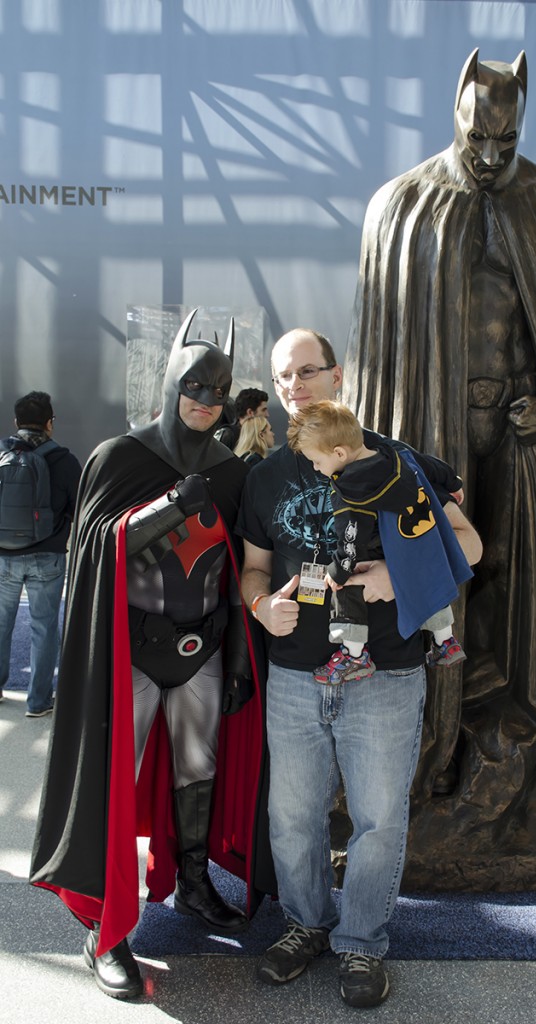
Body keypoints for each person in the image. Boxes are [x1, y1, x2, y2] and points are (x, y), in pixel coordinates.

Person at [344, 49, 536, 883]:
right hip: (431, 429)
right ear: (454, 112)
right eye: (477, 140)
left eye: (507, 142)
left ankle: (509, 750)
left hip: (522, 437)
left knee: (516, 595)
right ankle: (418, 759)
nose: (491, 158)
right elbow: (381, 350)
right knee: (428, 590)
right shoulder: (403, 205)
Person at [30, 311, 272, 1000]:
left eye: (220, 389)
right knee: (116, 777)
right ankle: (105, 928)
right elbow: (96, 548)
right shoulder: (120, 456)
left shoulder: (231, 471)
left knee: (198, 768)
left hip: (203, 650)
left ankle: (194, 885)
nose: (207, 399)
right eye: (195, 384)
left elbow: (231, 570)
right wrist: (168, 507)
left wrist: (231, 663)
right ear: (171, 383)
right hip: (130, 650)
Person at [237, 327, 481, 1008]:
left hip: (387, 672)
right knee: (292, 817)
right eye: (284, 377)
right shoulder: (264, 476)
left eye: (307, 372)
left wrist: (402, 581)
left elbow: (471, 542)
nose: (295, 387)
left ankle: (363, 943)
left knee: (377, 819)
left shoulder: (398, 461)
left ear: (337, 376)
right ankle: (305, 925)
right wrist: (260, 608)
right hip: (293, 671)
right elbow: (254, 568)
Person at [286, 399, 471, 684]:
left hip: (380, 549)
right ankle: (445, 641)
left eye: (317, 461)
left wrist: (338, 573)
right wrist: (453, 482)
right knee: (425, 576)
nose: (315, 467)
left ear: (338, 452)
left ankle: (354, 654)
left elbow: (350, 540)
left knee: (348, 588)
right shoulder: (395, 454)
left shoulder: (349, 490)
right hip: (419, 538)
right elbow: (431, 466)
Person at [0, 392, 81, 714]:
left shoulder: (2, 454)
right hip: (47, 556)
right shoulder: (64, 460)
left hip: (4, 555)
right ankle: (38, 701)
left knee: (2, 623)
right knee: (44, 627)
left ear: (17, 422)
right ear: (50, 423)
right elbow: (79, 509)